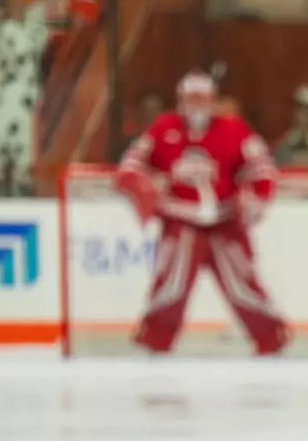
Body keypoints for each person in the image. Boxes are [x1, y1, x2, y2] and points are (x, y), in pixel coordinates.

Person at [115, 70, 289, 356]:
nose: (196, 105)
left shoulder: (234, 129)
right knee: (171, 282)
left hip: (225, 221)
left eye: (202, 98)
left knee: (243, 283)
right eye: (190, 98)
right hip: (180, 220)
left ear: (212, 100)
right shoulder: (162, 128)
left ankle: (271, 338)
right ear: (180, 99)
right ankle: (155, 340)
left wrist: (256, 197)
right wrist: (148, 187)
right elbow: (129, 167)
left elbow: (263, 167)